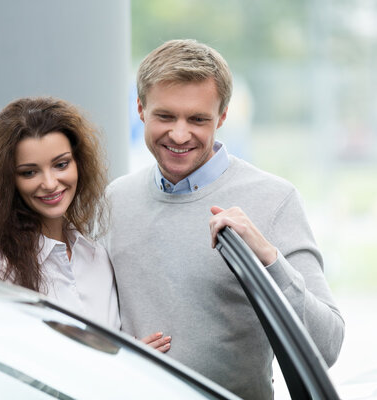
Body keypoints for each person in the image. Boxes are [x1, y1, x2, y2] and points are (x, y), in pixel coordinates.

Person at [104, 39, 344, 400]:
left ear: (223, 116)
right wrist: (118, 357)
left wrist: (267, 256)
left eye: (198, 119)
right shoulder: (115, 200)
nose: (180, 134)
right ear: (140, 110)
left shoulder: (274, 199)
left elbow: (326, 346)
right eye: (165, 116)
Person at [0, 96, 170, 351]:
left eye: (61, 164)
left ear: (79, 164)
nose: (50, 183)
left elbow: (105, 349)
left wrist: (133, 356)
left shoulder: (96, 256)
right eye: (29, 172)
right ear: (9, 181)